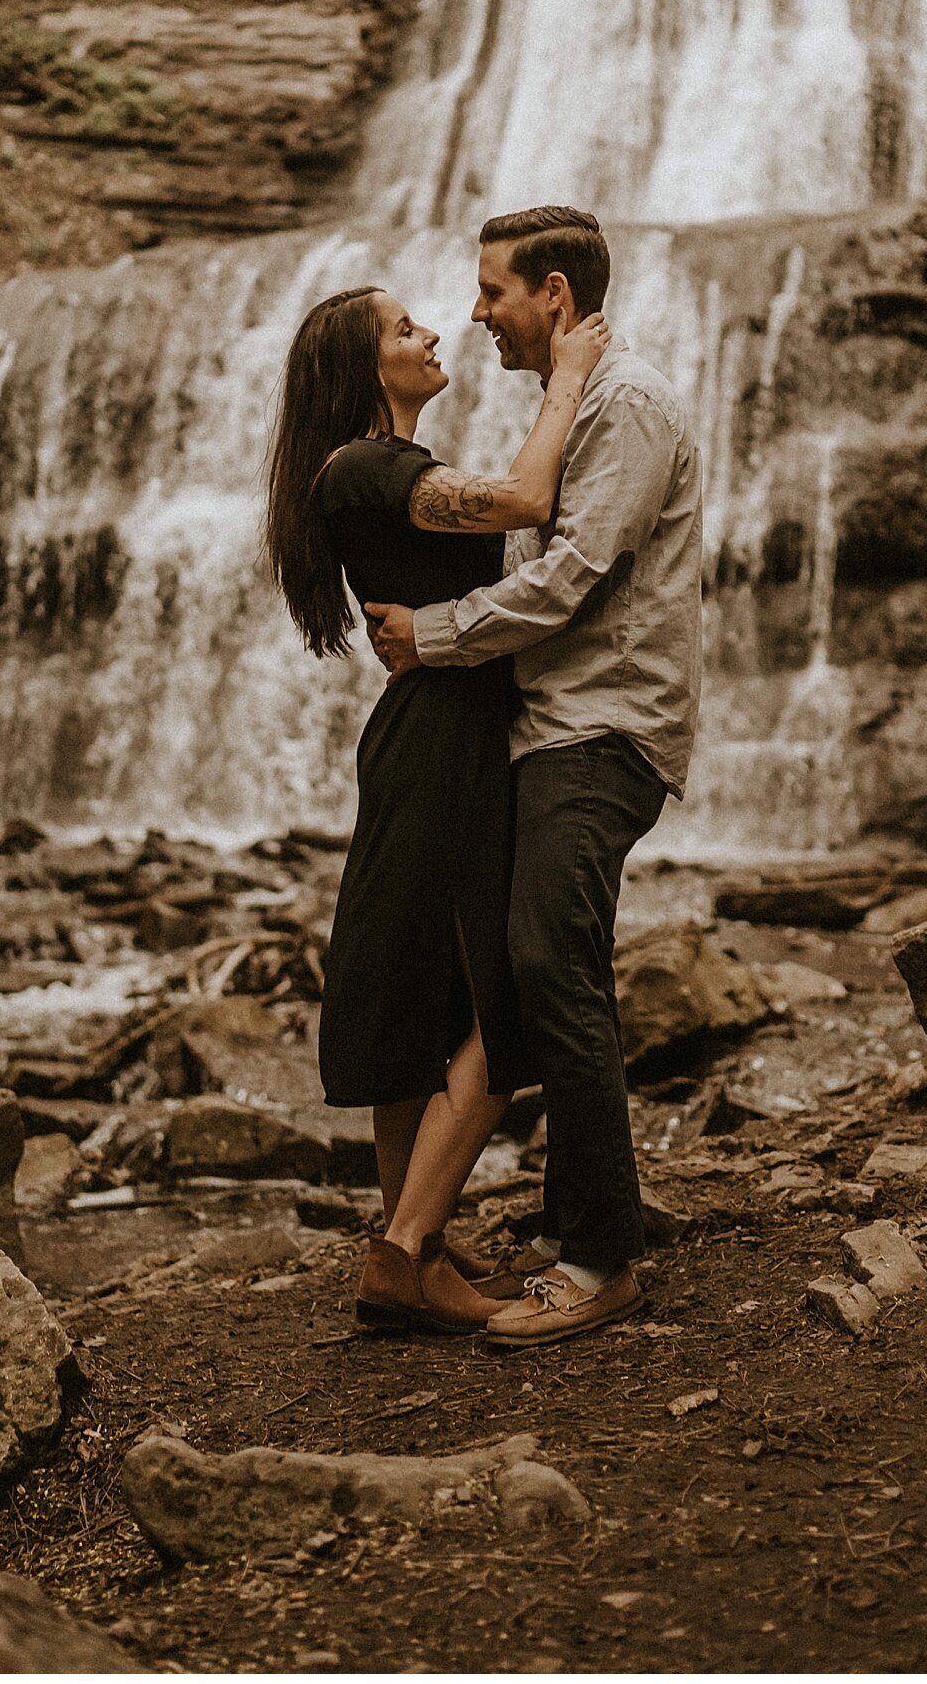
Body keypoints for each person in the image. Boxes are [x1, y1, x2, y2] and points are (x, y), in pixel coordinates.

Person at [365, 207, 704, 1349]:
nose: (473, 314)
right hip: (545, 727)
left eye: (491, 292)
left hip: (602, 728)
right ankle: (569, 1215)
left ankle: (603, 1257)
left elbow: (571, 580)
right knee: (526, 963)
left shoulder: (631, 403)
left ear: (552, 297)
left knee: (547, 957)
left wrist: (435, 632)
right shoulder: (570, 409)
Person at [264, 281, 611, 1334]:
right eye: (404, 328)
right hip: (449, 744)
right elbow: (525, 502)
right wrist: (570, 377)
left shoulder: (369, 470)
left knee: (417, 994)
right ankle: (406, 1248)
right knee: (496, 1003)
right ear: (365, 367)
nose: (430, 333)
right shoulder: (374, 466)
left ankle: (410, 1233)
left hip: (427, 732)